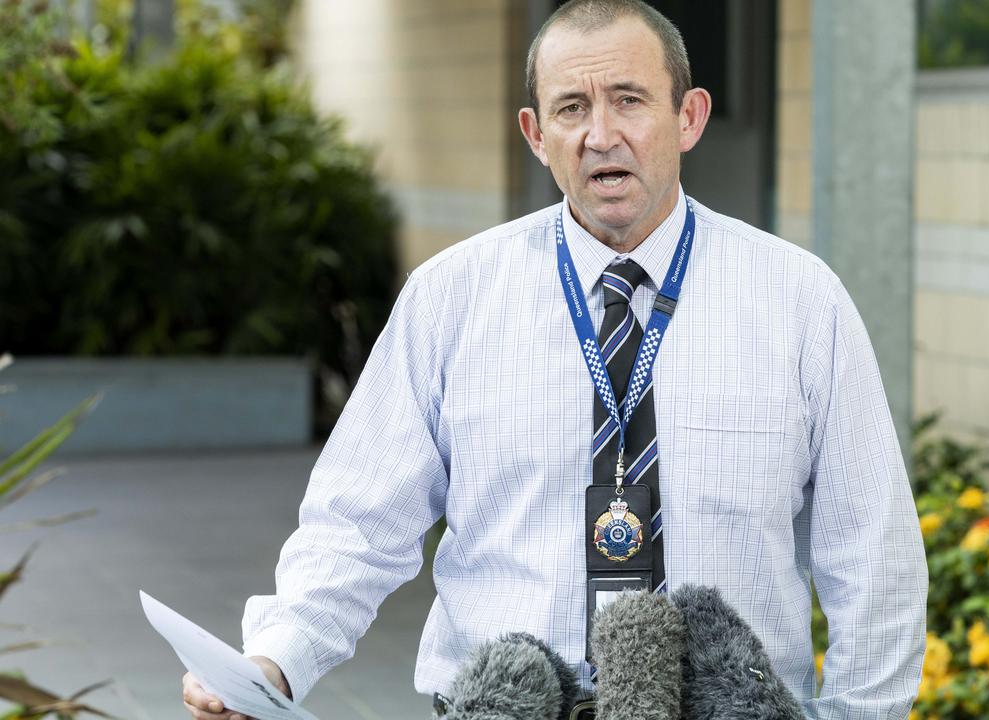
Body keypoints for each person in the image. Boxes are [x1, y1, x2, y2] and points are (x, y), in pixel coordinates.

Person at [181, 1, 927, 718]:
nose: (601, 134)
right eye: (572, 108)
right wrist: (274, 662)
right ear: (536, 135)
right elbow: (357, 522)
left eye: (629, 100)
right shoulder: (451, 297)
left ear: (688, 117)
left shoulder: (801, 302)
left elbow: (873, 552)